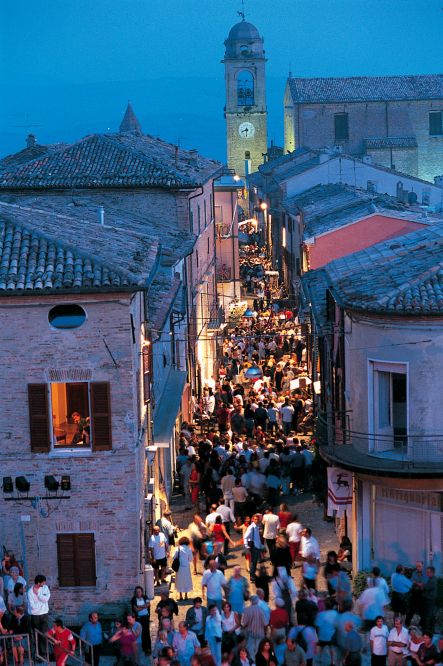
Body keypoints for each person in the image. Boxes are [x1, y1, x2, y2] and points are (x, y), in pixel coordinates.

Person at [27, 574, 51, 659]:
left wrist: (38, 595)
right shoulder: (30, 592)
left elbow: (47, 599)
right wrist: (42, 602)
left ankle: (44, 653)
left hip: (44, 614)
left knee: (44, 634)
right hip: (35, 616)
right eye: (43, 582)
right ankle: (37, 654)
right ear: (38, 582)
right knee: (36, 635)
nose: (45, 583)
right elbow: (33, 607)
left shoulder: (45, 588)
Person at [241, 596, 267, 661]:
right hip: (260, 634)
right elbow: (265, 624)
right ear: (257, 601)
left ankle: (253, 663)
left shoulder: (247, 610)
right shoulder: (261, 610)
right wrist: (265, 631)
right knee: (259, 650)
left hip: (250, 634)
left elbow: (244, 623)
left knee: (250, 651)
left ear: (251, 601)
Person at [131, 587, 151, 654]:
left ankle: (147, 648)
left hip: (146, 617)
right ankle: (140, 648)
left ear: (142, 592)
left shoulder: (145, 597)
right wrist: (144, 606)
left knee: (146, 632)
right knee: (140, 632)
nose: (138, 593)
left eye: (139, 591)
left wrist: (140, 607)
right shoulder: (133, 599)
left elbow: (148, 605)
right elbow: (136, 609)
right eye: (137, 592)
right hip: (139, 618)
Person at [243, 514, 263, 583]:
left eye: (257, 519)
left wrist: (260, 545)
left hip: (257, 546)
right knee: (253, 562)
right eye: (255, 519)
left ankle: (253, 575)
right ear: (252, 520)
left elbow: (257, 538)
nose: (256, 520)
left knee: (254, 562)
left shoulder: (256, 527)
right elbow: (245, 536)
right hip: (253, 546)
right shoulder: (251, 527)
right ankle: (252, 577)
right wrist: (246, 546)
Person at [174, 537, 194, 601]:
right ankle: (186, 596)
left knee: (179, 581)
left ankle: (180, 596)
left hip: (179, 567)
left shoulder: (178, 548)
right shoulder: (189, 549)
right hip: (186, 567)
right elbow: (191, 559)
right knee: (186, 581)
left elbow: (174, 557)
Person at [422, 567, 437, 633]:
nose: (427, 573)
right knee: (429, 615)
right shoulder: (431, 579)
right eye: (426, 572)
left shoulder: (432, 580)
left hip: (430, 600)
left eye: (428, 572)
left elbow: (425, 587)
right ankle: (430, 630)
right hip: (428, 600)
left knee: (428, 616)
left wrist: (421, 585)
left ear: (432, 572)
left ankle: (427, 631)